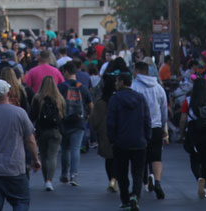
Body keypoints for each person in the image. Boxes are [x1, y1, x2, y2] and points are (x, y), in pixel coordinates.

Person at [0, 79, 40, 211]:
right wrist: (35, 159)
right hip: (15, 169)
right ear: (8, 93)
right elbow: (30, 140)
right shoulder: (19, 113)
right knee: (21, 201)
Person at [106, 69, 151, 211]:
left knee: (122, 172)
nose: (115, 83)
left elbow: (111, 121)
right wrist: (147, 136)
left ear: (121, 82)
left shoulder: (115, 99)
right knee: (138, 172)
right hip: (139, 141)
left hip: (121, 142)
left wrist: (112, 138)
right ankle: (135, 196)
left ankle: (125, 199)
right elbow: (147, 119)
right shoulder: (140, 98)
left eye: (117, 81)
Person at [131, 61, 168, 199]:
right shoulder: (158, 88)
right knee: (157, 157)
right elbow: (164, 109)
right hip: (156, 126)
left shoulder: (134, 87)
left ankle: (143, 182)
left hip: (140, 127)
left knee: (141, 157)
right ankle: (157, 181)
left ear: (136, 71)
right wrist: (164, 126)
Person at [178, 77, 206, 199]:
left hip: (194, 133)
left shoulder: (188, 101)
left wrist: (181, 133)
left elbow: (183, 119)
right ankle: (204, 186)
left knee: (194, 159)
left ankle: (199, 178)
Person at [56, 61, 92, 187]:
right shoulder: (82, 87)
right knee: (75, 149)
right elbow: (90, 104)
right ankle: (74, 175)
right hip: (79, 121)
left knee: (65, 149)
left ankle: (64, 174)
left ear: (65, 71)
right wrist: (88, 116)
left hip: (64, 122)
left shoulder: (61, 87)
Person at [89, 60, 120, 193]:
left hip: (105, 133)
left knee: (109, 158)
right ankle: (115, 179)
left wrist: (97, 131)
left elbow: (94, 120)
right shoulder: (120, 99)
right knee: (119, 158)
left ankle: (111, 179)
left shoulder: (101, 102)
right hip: (121, 133)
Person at [29, 75, 64, 191]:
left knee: (44, 155)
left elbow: (32, 115)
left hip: (42, 130)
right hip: (55, 130)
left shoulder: (38, 98)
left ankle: (45, 180)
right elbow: (63, 115)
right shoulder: (59, 98)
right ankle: (50, 180)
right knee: (52, 155)